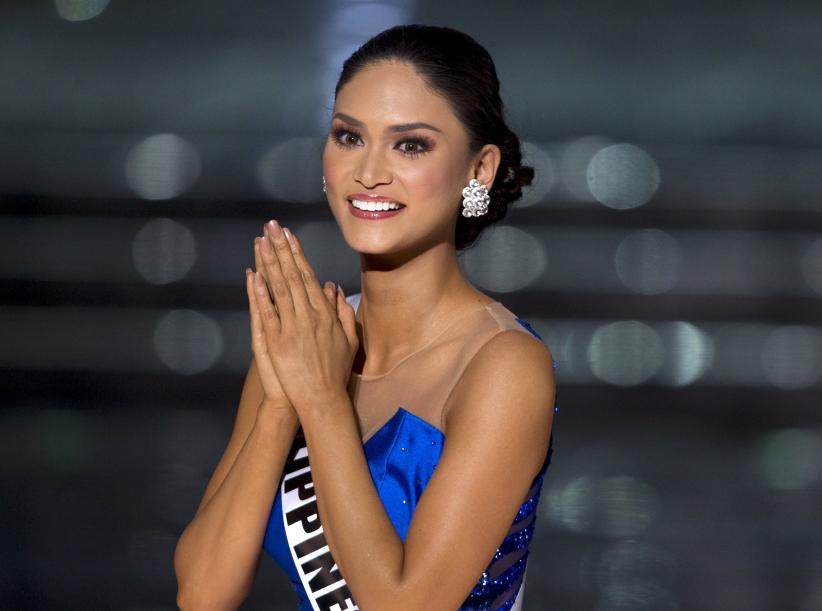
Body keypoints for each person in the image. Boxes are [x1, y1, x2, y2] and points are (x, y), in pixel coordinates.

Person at [174, 24, 557, 611]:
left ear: (478, 169)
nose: (369, 171)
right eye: (349, 137)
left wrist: (323, 402)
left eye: (410, 145)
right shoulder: (309, 341)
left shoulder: (504, 365)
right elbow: (203, 594)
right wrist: (282, 403)